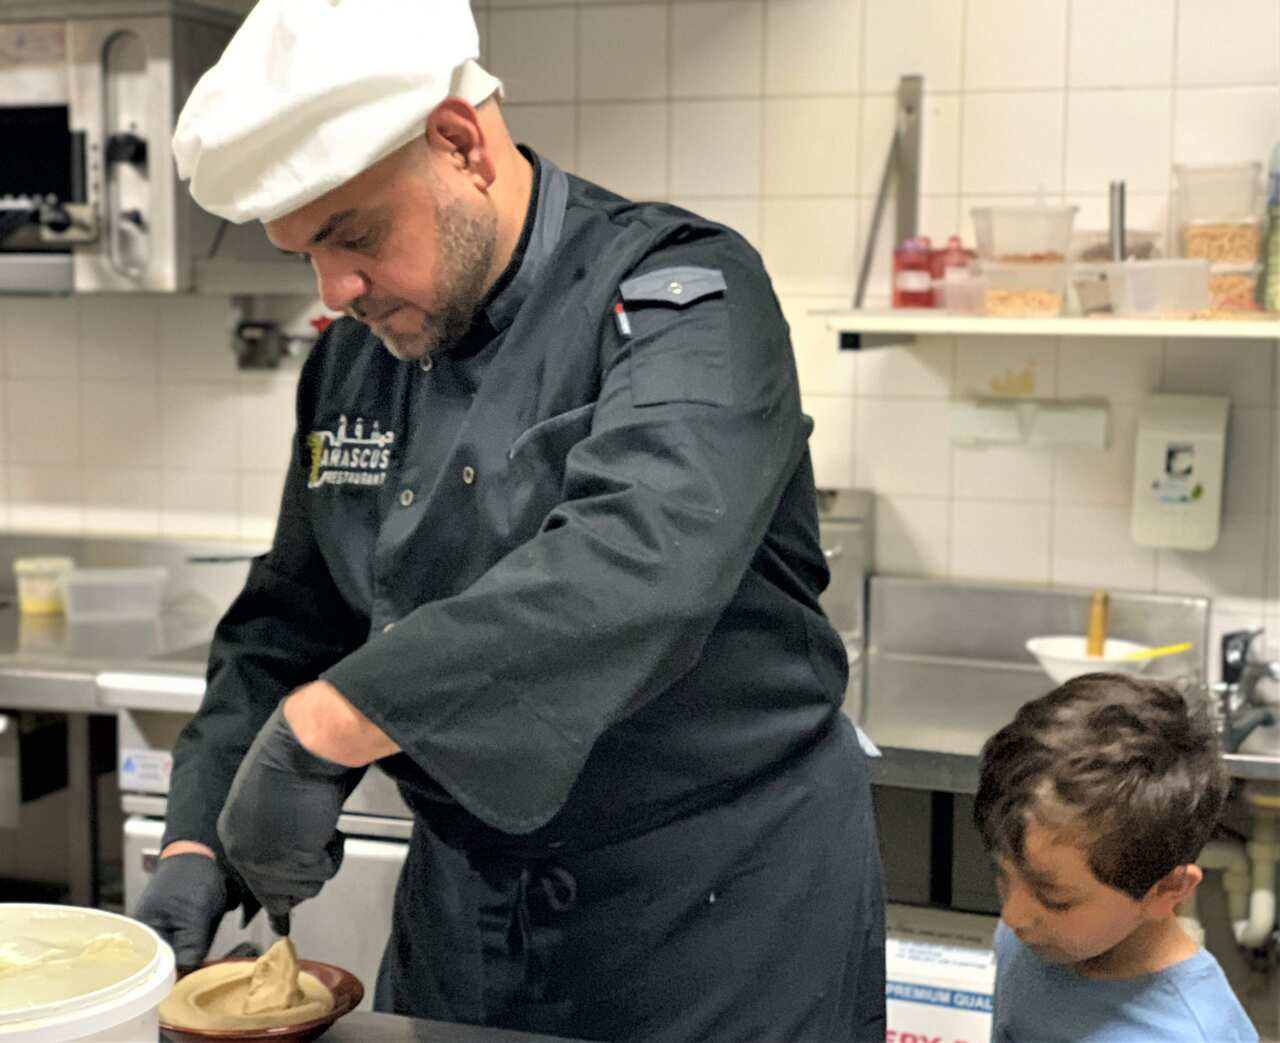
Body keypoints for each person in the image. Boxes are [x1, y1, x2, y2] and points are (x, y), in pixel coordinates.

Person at [131, 1, 887, 1040]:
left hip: (712, 911)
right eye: (301, 252)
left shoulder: (688, 296)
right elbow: (290, 617)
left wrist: (333, 721)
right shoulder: (357, 356)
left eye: (352, 236)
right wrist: (193, 840)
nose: (334, 289)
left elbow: (639, 556)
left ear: (460, 143)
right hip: (469, 914)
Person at [974, 672, 1257, 1043]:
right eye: (1003, 873)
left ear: (1167, 891)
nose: (1012, 916)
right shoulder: (1034, 940)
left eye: (1055, 899)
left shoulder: (1190, 1033)